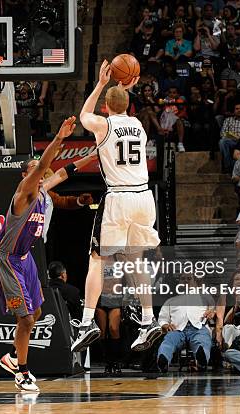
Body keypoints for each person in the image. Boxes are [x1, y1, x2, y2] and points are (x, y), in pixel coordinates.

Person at [71, 61, 161, 353]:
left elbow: (84, 114)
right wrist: (123, 86)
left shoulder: (103, 124)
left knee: (97, 260)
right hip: (145, 198)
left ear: (106, 107)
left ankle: (86, 322)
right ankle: (149, 320)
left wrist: (100, 83)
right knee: (136, 261)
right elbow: (120, 104)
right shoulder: (137, 125)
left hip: (119, 198)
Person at [0, 117, 77, 392]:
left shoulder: (42, 192)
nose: (40, 172)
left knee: (37, 311)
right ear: (26, 176)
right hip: (8, 259)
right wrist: (59, 139)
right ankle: (23, 372)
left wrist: (97, 151)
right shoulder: (24, 193)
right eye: (34, 170)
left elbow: (64, 172)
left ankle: (13, 356)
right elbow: (42, 166)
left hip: (25, 257)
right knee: (26, 319)